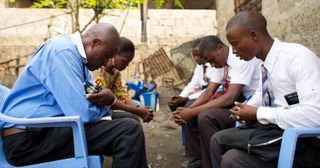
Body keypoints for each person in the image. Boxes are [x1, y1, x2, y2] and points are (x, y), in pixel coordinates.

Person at [1, 23, 148, 168]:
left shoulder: (78, 59)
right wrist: (106, 104)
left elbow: (91, 97)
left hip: (46, 128)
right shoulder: (61, 52)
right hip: (26, 141)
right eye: (105, 56)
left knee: (130, 119)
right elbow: (82, 112)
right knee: (128, 131)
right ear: (95, 43)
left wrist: (106, 101)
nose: (104, 63)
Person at [210, 10, 320, 168]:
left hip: (304, 140)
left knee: (231, 157)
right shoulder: (264, 64)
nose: (233, 51)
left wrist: (257, 113)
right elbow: (263, 94)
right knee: (218, 141)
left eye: (235, 44)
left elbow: (316, 114)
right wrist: (245, 109)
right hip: (278, 128)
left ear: (254, 36)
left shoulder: (297, 57)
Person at [173, 35, 261, 168]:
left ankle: (213, 163)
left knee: (206, 116)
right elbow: (209, 91)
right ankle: (201, 158)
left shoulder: (241, 59)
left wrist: (192, 112)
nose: (213, 65)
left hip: (250, 107)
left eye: (212, 60)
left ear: (220, 47)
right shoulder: (221, 63)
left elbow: (230, 97)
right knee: (190, 107)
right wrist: (188, 111)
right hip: (237, 103)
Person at [92, 36, 153, 122]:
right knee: (131, 120)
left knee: (133, 119)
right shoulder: (98, 69)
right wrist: (136, 110)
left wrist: (140, 108)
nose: (127, 65)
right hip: (96, 114)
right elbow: (105, 100)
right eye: (125, 61)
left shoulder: (115, 73)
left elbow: (122, 98)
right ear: (113, 54)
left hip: (106, 111)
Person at [168, 40, 217, 112]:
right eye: (194, 56)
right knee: (174, 104)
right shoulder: (200, 66)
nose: (196, 58)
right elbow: (193, 84)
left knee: (188, 105)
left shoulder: (215, 66)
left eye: (198, 55)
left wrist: (187, 98)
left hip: (211, 95)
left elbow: (210, 90)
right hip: (201, 93)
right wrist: (181, 97)